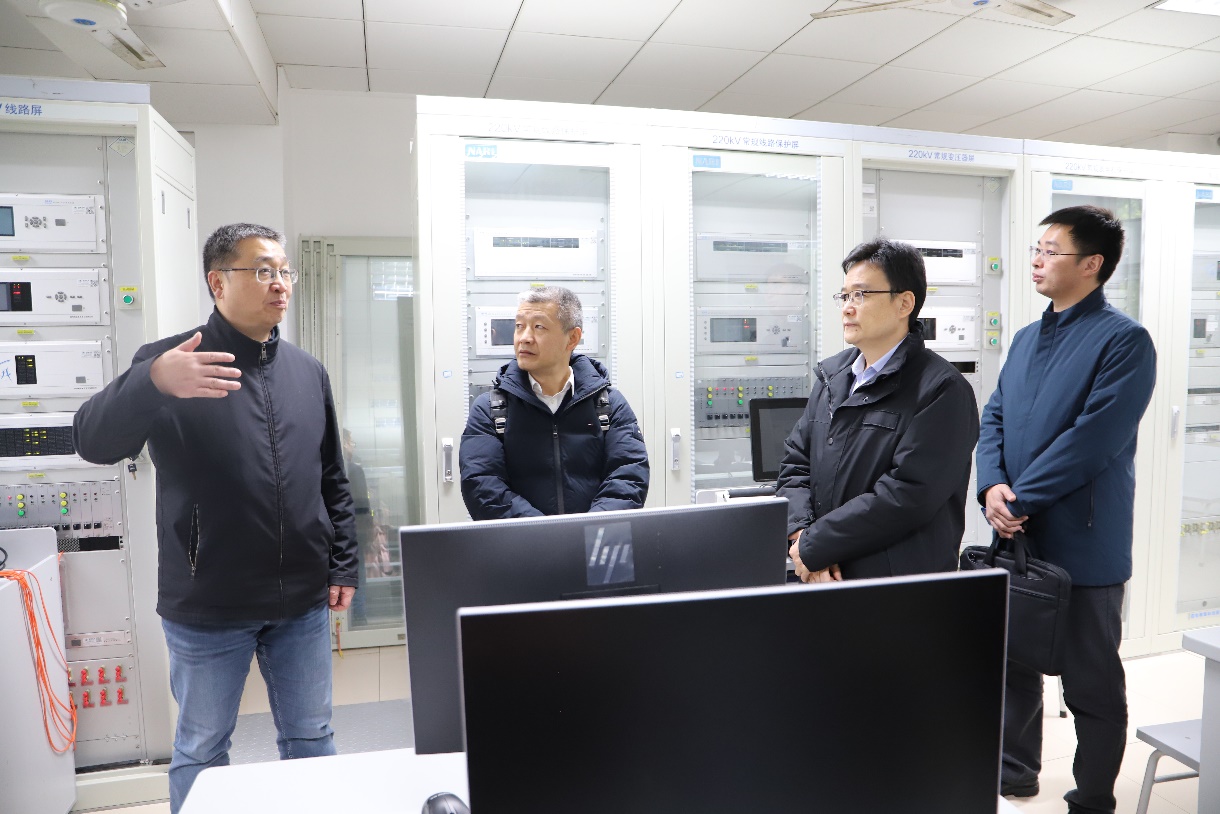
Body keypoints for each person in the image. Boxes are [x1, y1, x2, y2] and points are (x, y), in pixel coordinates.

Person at [72, 223, 358, 814]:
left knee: (312, 738)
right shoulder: (171, 363)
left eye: (284, 271)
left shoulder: (307, 371)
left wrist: (343, 564)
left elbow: (331, 475)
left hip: (301, 600)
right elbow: (93, 442)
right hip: (209, 602)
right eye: (263, 270)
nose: (280, 284)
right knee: (202, 747)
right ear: (218, 281)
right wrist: (150, 382)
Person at [977, 205, 1156, 813]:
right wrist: (991, 486)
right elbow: (994, 416)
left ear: (1092, 264)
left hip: (1084, 542)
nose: (1036, 259)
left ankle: (1093, 796)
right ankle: (1015, 774)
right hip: (1017, 536)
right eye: (1037, 248)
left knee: (1091, 681)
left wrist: (1019, 498)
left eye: (1051, 250)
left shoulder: (1124, 341)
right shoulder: (1026, 338)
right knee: (1012, 663)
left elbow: (1093, 439)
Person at [776, 239, 978, 582]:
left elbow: (907, 495)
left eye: (860, 295)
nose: (847, 308)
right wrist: (801, 538)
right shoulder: (832, 378)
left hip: (896, 588)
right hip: (824, 573)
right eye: (844, 296)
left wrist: (816, 545)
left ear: (904, 303)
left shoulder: (941, 389)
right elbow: (795, 464)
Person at [460, 285, 648, 519]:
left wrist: (588, 529)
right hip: (522, 541)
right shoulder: (490, 409)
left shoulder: (608, 404)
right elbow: (482, 486)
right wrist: (545, 533)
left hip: (595, 537)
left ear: (572, 338)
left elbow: (629, 477)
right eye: (519, 326)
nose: (524, 338)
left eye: (538, 327)